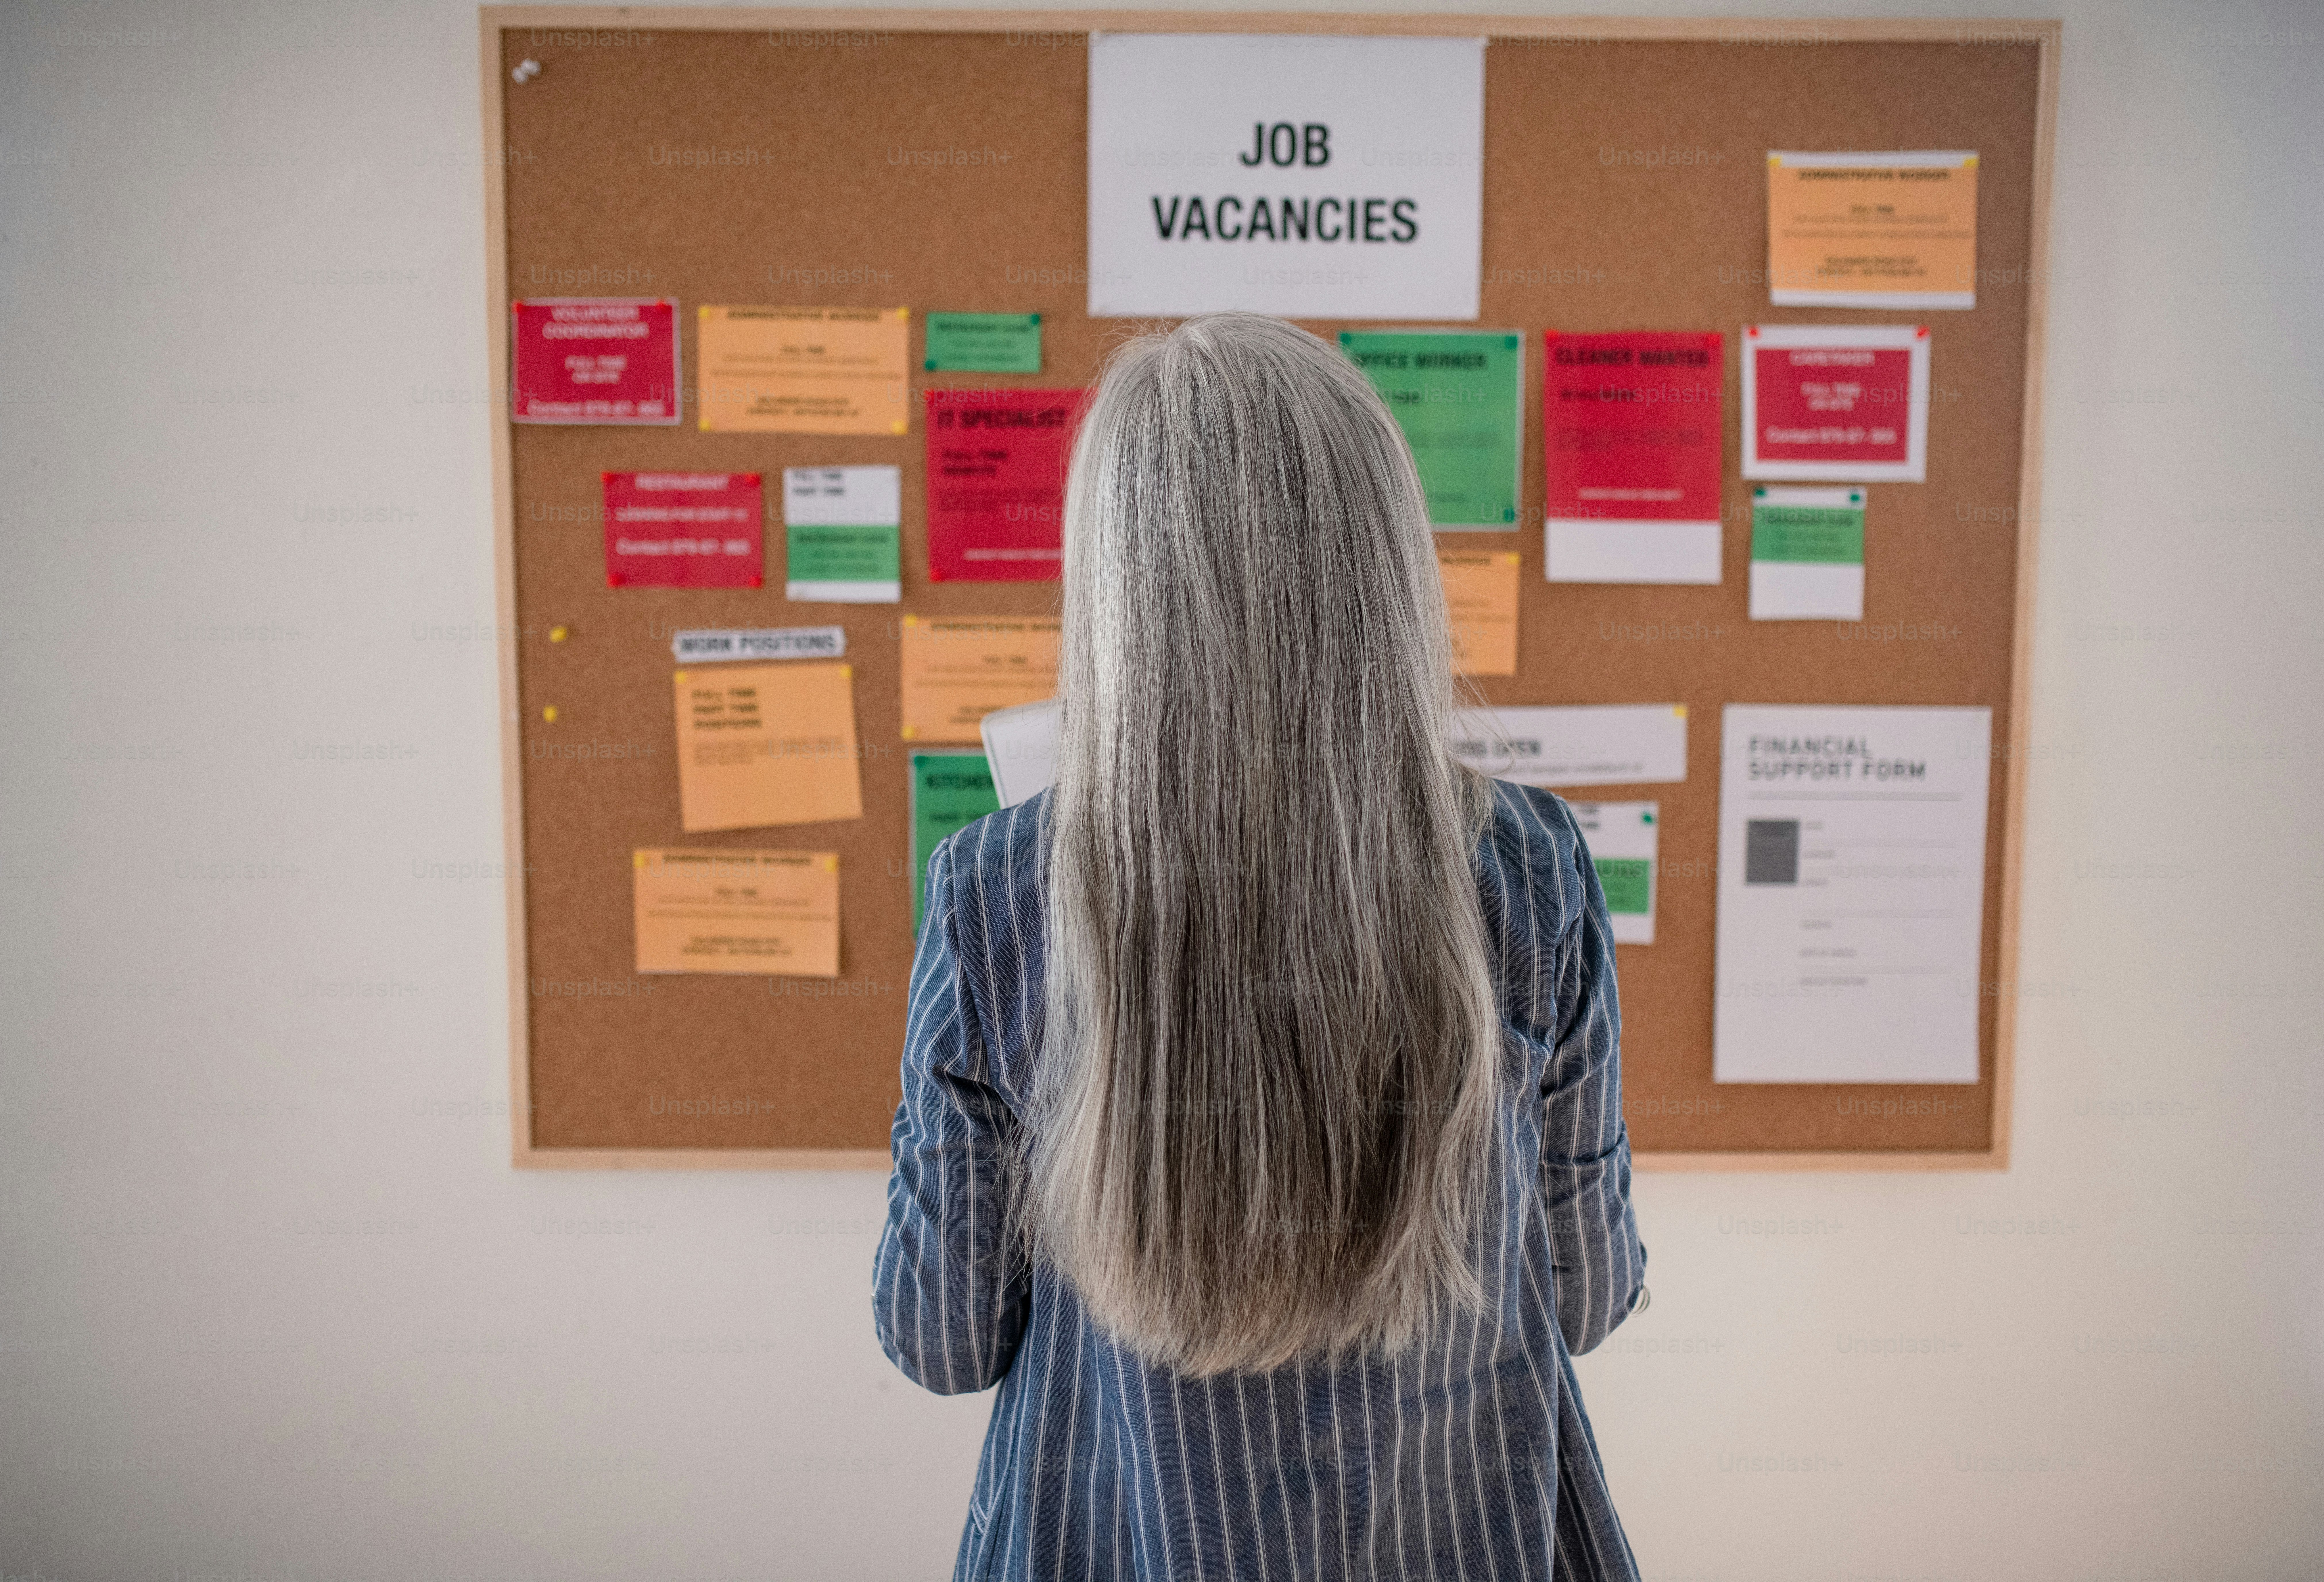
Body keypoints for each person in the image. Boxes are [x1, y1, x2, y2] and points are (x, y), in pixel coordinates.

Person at [875, 312, 1647, 1580]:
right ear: (1384, 570)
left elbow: (940, 1337)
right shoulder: (1530, 864)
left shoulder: (995, 889)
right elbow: (1586, 1290)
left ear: (1115, 587)